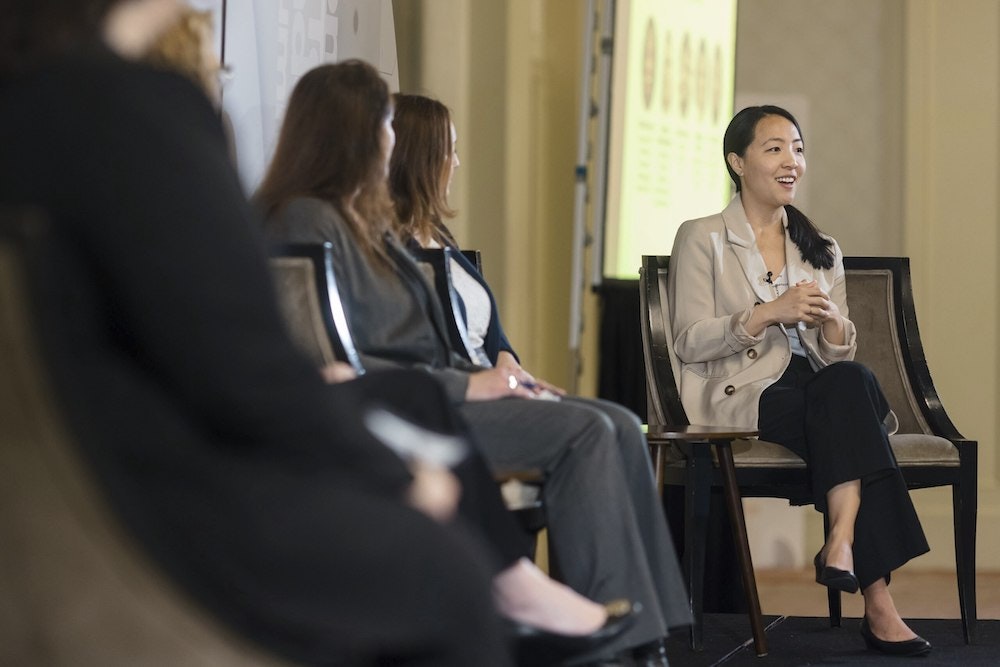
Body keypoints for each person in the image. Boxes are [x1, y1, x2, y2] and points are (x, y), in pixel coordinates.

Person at [0, 1, 517, 664]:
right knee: (448, 575)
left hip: (45, 530)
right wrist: (394, 475)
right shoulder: (130, 110)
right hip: (153, 519)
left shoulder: (27, 106)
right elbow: (246, 376)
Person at [258, 62, 691, 667]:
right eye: (385, 123)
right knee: (589, 431)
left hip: (444, 397)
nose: (392, 137)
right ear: (352, 131)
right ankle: (610, 641)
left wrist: (499, 375)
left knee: (615, 419)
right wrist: (469, 383)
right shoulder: (309, 217)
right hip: (417, 409)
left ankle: (649, 632)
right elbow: (342, 356)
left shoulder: (362, 218)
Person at [667, 104, 932, 657]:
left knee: (848, 383)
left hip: (818, 387)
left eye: (799, 148)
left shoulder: (820, 248)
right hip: (743, 391)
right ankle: (872, 595)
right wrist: (766, 313)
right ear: (738, 162)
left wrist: (835, 326)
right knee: (853, 409)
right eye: (775, 149)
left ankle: (841, 545)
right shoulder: (702, 237)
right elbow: (690, 341)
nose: (792, 161)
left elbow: (836, 357)